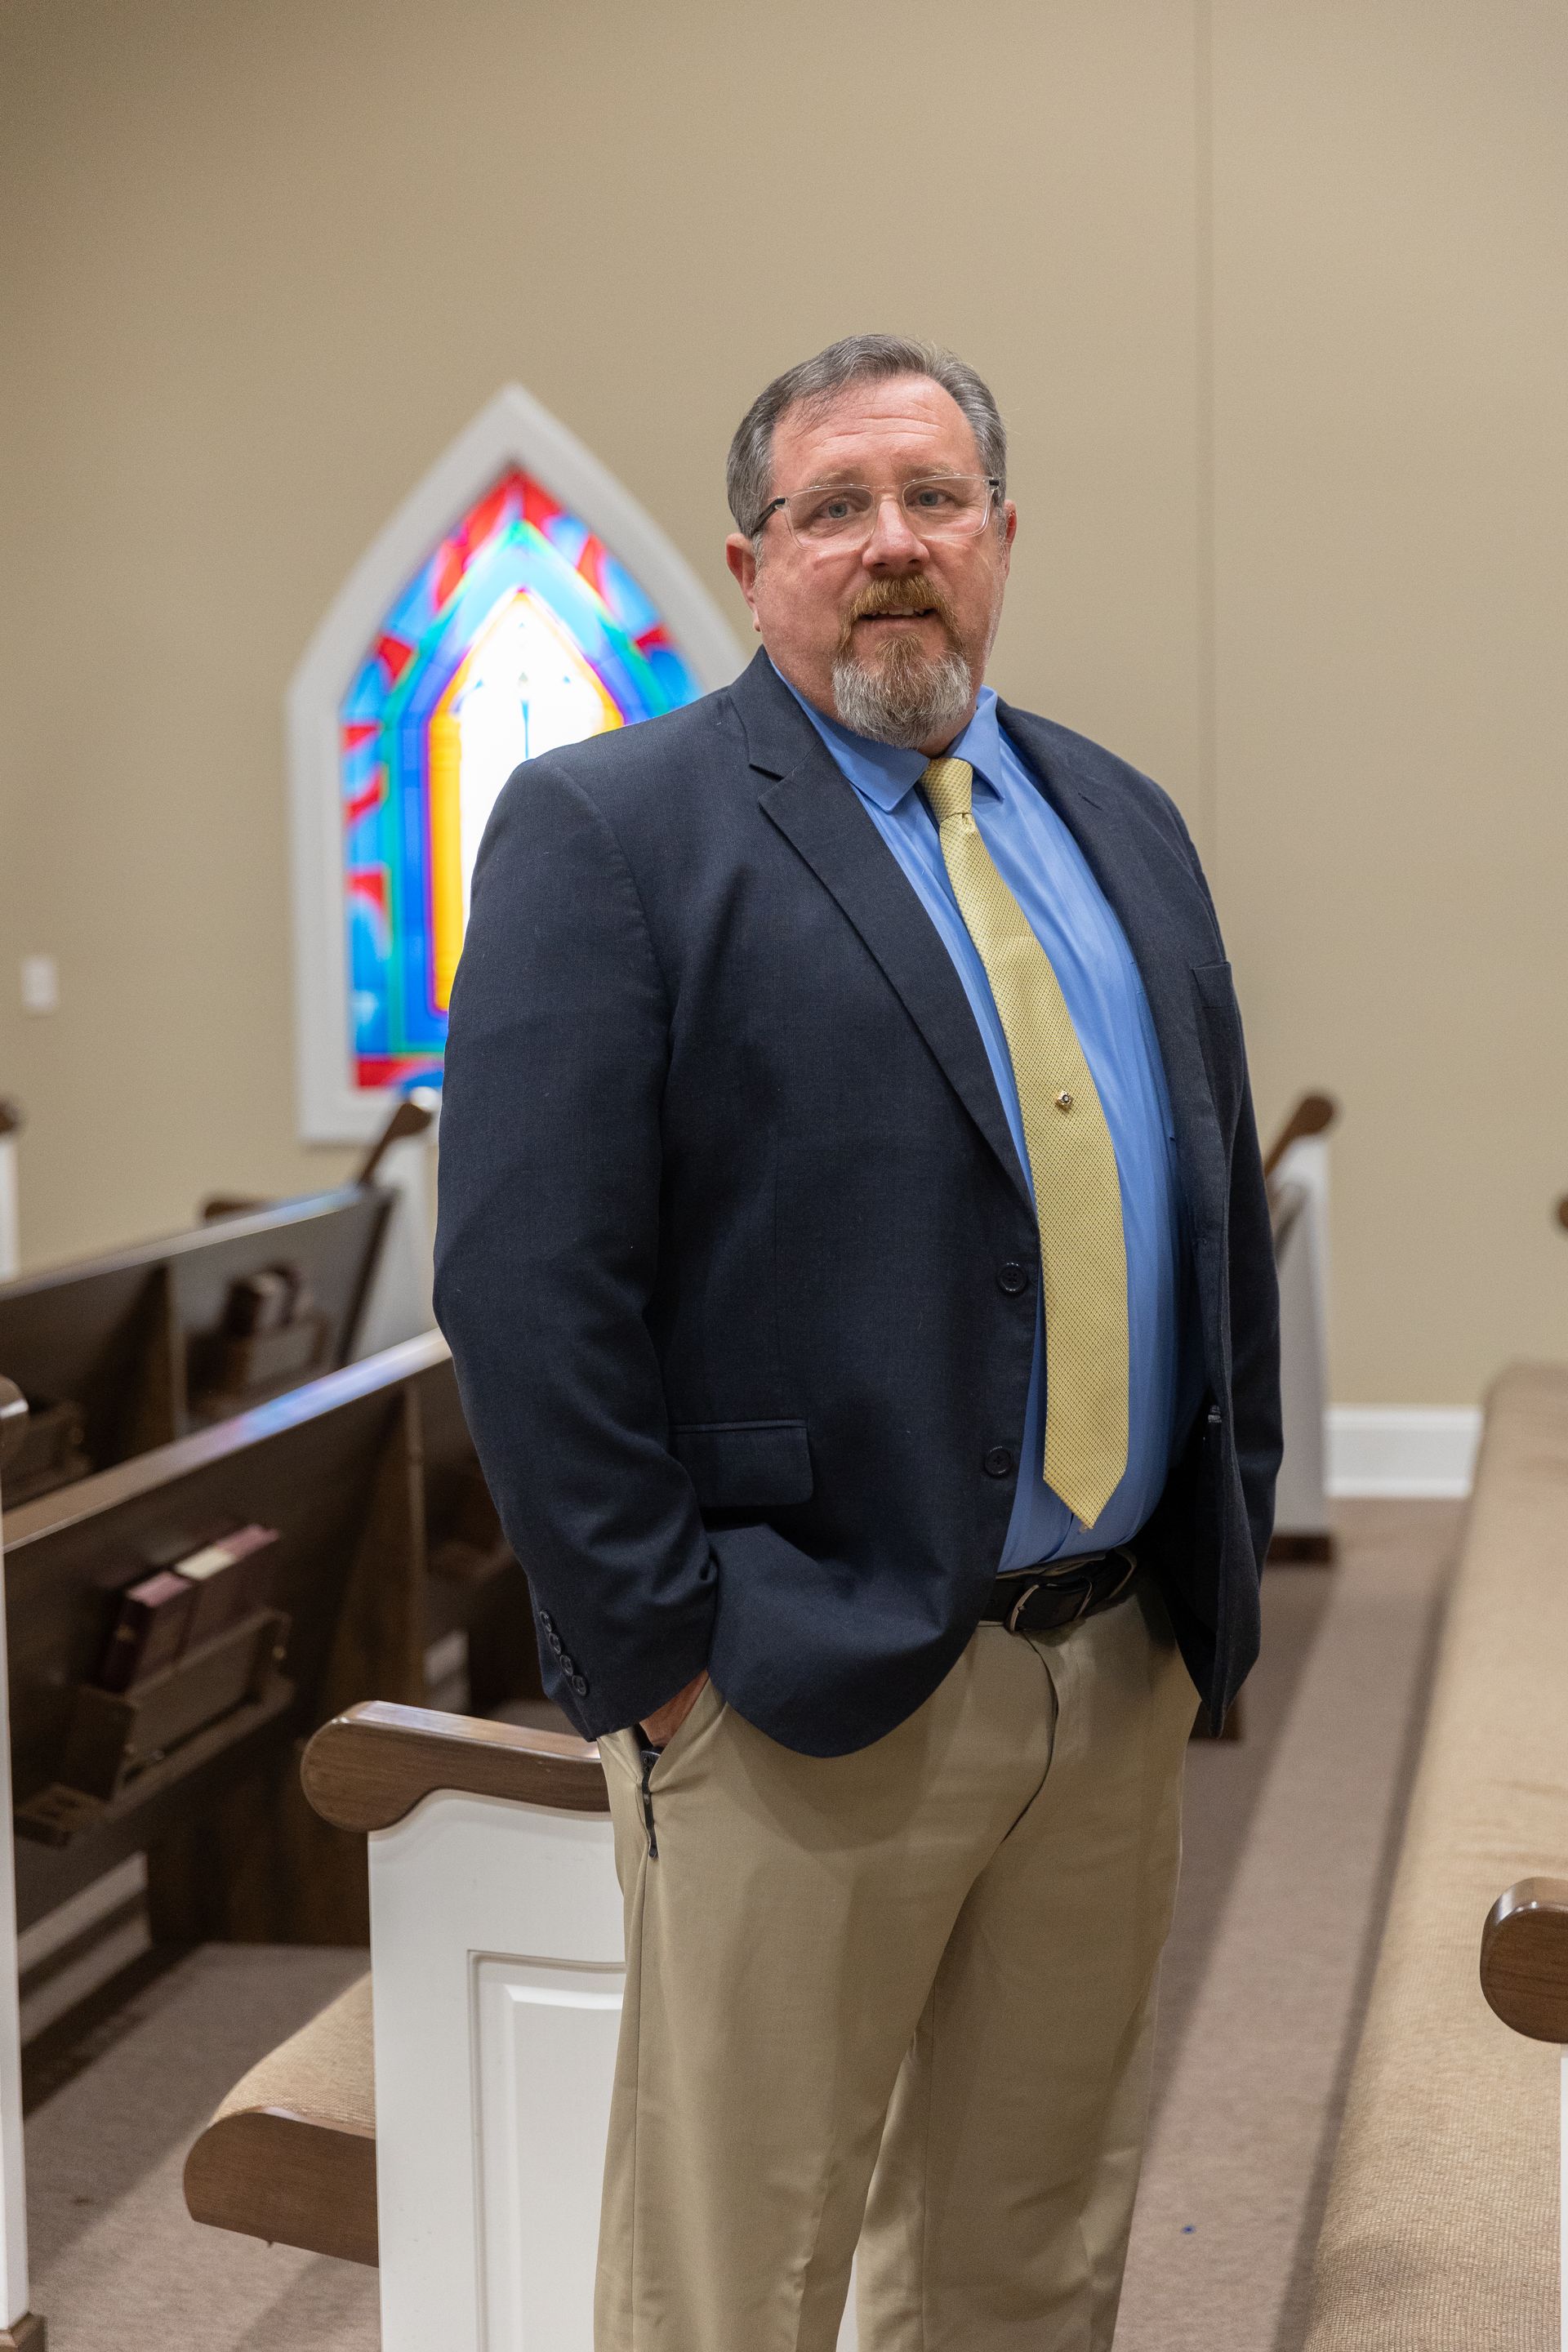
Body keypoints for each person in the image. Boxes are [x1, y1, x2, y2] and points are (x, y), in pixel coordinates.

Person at [434, 333, 1281, 2352]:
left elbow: (1210, 1201)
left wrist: (1208, 1553)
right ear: (752, 563)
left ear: (1000, 536)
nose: (890, 546)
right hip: (802, 1685)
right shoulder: (614, 830)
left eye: (933, 500)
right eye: (834, 510)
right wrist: (661, 1662)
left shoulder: (1123, 820)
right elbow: (529, 1286)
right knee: (740, 2277)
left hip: (1109, 1662)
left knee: (1031, 2250)